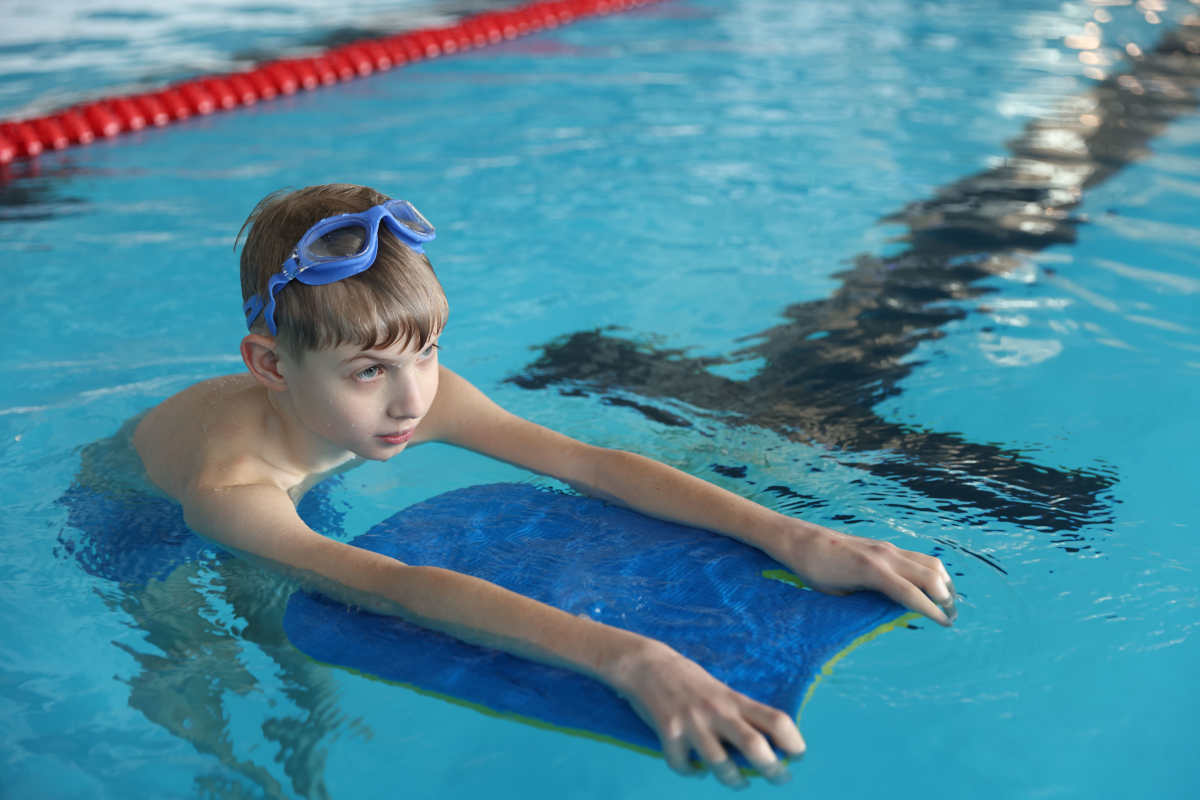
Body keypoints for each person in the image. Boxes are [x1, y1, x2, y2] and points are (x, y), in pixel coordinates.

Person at [132, 183, 957, 789]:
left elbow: (589, 465)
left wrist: (798, 536)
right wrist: (635, 661)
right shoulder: (230, 488)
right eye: (370, 370)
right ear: (271, 366)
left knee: (298, 650)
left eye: (428, 353)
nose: (412, 398)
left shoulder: (404, 400)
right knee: (243, 674)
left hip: (306, 475)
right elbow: (398, 587)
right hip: (143, 529)